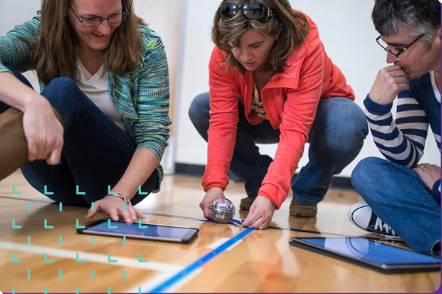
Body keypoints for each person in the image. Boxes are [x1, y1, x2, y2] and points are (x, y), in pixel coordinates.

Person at [188, 0, 368, 229]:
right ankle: (258, 182)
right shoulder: (224, 51)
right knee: (201, 107)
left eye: (255, 46)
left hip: (316, 118)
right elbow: (222, 122)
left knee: (347, 121)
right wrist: (214, 185)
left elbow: (295, 129)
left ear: (277, 31)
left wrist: (272, 195)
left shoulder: (306, 46)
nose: (244, 56)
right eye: (235, 45)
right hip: (262, 115)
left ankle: (307, 192)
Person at [0, 0, 171, 224]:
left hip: (118, 183)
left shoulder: (147, 46)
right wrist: (32, 102)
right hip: (58, 177)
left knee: (63, 90)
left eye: (114, 16)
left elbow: (153, 134)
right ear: (63, 9)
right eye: (90, 19)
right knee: (8, 82)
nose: (105, 29)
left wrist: (118, 195)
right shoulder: (41, 33)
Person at [348, 0, 441, 257]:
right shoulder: (419, 78)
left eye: (399, 48)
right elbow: (407, 158)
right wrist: (377, 108)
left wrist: (439, 187)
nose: (390, 59)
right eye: (387, 46)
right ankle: (425, 229)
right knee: (368, 172)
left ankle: (416, 227)